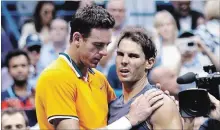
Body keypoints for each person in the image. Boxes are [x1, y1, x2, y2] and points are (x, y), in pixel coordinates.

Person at [35, 5, 165, 130]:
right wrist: (129, 119)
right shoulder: (55, 76)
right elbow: (127, 118)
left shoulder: (99, 78)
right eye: (98, 45)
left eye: (107, 45)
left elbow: (120, 112)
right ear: (77, 39)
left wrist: (154, 99)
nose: (104, 52)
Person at [108, 27, 182, 129]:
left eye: (133, 56)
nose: (124, 61)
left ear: (149, 63)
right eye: (120, 54)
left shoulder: (160, 104)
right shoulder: (112, 105)